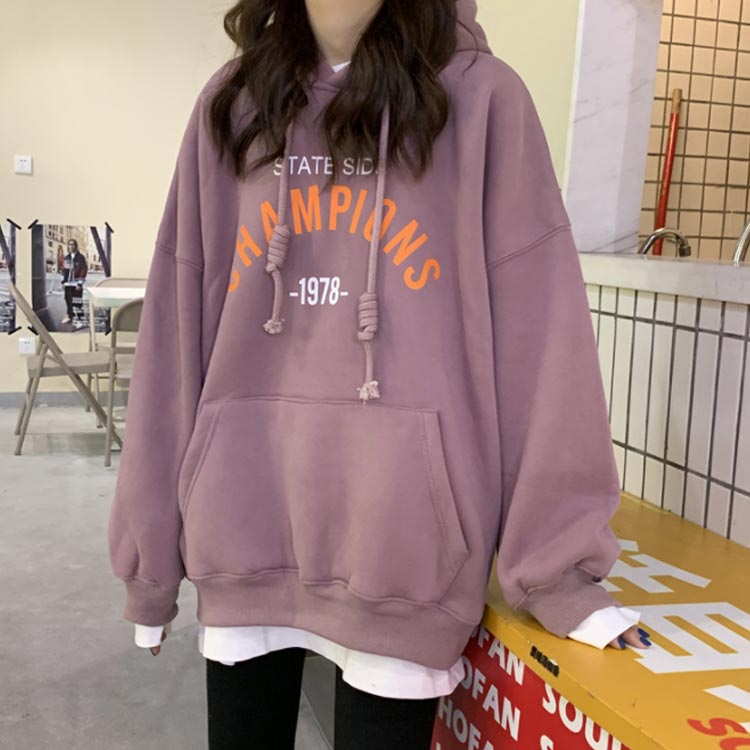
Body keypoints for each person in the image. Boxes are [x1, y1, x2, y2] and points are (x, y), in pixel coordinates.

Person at [108, 1, 651, 747]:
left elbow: (542, 341)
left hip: (402, 552)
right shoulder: (232, 105)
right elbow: (176, 330)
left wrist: (559, 570)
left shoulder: (482, 99)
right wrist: (149, 559)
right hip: (243, 527)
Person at [60, 238, 87, 329]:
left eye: (73, 244)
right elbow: (64, 271)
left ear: (76, 246)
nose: (71, 246)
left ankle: (80, 320)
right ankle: (70, 317)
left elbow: (83, 270)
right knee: (68, 300)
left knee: (77, 302)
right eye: (69, 244)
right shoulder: (67, 258)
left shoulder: (80, 257)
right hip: (68, 284)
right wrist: (63, 282)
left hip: (76, 284)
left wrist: (80, 284)